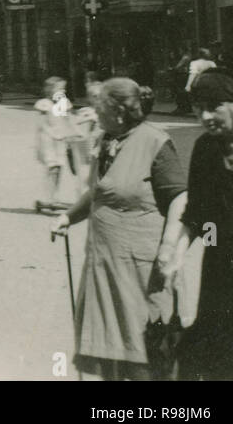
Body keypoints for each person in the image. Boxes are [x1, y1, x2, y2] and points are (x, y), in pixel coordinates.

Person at [51, 78, 188, 380]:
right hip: (104, 264)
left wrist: (168, 248)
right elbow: (100, 191)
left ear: (119, 111)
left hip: (141, 267)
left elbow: (180, 197)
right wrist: (68, 216)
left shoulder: (155, 141)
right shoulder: (106, 140)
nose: (93, 111)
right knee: (109, 347)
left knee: (143, 350)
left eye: (99, 106)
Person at [160, 71, 233, 380]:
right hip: (222, 270)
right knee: (222, 358)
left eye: (214, 106)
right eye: (197, 107)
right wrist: (176, 254)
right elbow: (200, 215)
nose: (204, 116)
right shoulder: (206, 149)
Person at [34, 77, 82, 213]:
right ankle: (49, 198)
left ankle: (52, 198)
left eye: (63, 89)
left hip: (60, 141)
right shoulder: (45, 104)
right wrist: (54, 134)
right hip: (47, 141)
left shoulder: (63, 104)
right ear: (49, 90)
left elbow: (69, 120)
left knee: (58, 169)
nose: (62, 91)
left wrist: (77, 132)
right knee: (52, 168)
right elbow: (42, 124)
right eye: (59, 89)